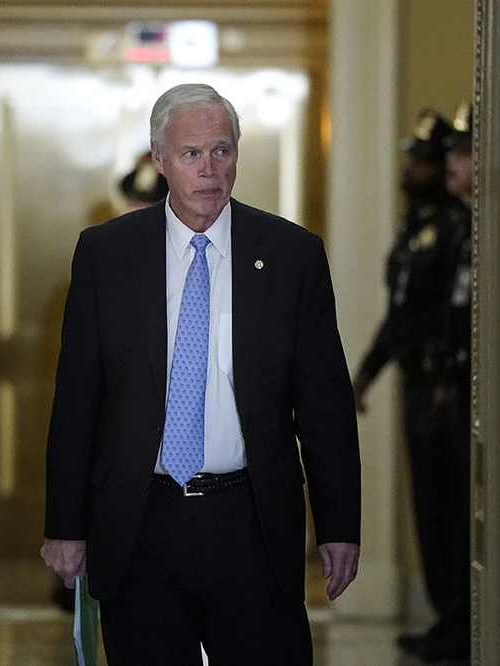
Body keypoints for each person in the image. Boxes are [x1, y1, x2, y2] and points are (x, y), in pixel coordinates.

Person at [40, 83, 362, 666]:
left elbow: (324, 405)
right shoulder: (106, 254)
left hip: (251, 520)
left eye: (222, 150)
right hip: (140, 522)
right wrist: (64, 525)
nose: (209, 169)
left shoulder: (291, 255)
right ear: (160, 159)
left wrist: (339, 526)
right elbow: (78, 400)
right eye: (191, 154)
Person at [352, 108, 471, 662]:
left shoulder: (456, 227)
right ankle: (444, 614)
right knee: (428, 503)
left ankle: (460, 618)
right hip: (415, 381)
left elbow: (454, 315)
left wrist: (449, 375)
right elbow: (399, 316)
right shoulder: (413, 228)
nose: (411, 170)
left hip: (445, 382)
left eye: (421, 161)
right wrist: (366, 373)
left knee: (452, 504)